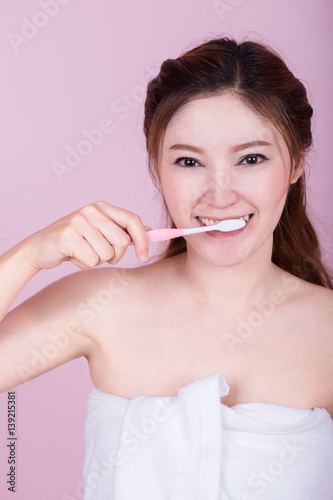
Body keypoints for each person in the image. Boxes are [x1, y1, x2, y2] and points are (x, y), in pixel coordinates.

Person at [1, 35, 333, 499]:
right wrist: (29, 255)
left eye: (251, 158)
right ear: (157, 167)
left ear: (296, 162)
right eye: (189, 161)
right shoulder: (101, 305)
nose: (219, 195)